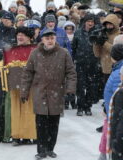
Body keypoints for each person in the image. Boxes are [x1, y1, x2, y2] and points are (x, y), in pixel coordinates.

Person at [21, 29, 76, 159]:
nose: (50, 40)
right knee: (40, 124)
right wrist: (24, 91)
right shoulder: (35, 53)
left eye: (52, 38)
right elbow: (27, 73)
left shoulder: (63, 53)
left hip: (57, 92)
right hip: (40, 92)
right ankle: (41, 150)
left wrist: (70, 90)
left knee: (53, 123)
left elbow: (71, 73)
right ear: (42, 40)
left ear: (55, 39)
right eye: (47, 38)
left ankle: (50, 148)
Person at [72, 13, 100, 116]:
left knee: (91, 86)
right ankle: (80, 107)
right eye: (88, 21)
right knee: (80, 86)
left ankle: (88, 106)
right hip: (80, 63)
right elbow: (73, 47)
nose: (90, 23)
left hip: (93, 63)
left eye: (92, 22)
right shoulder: (78, 33)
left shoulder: (97, 33)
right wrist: (74, 59)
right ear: (85, 22)